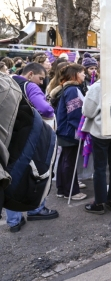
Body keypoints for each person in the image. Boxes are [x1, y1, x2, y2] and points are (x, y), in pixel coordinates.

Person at [5, 63, 59, 232]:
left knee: (9, 175)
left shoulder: (7, 81)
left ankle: (14, 221)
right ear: (30, 75)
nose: (42, 83)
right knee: (37, 171)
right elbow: (45, 109)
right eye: (40, 78)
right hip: (28, 136)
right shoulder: (30, 87)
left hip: (6, 136)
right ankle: (36, 208)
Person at [81, 77, 111, 214]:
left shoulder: (98, 86)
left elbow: (87, 111)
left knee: (100, 167)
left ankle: (99, 202)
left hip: (101, 130)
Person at [53, 64, 87, 200]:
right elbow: (74, 113)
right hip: (70, 131)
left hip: (64, 130)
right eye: (82, 72)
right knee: (69, 161)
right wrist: (81, 129)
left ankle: (62, 189)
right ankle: (71, 191)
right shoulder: (73, 90)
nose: (84, 75)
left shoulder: (67, 88)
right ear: (75, 74)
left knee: (65, 159)